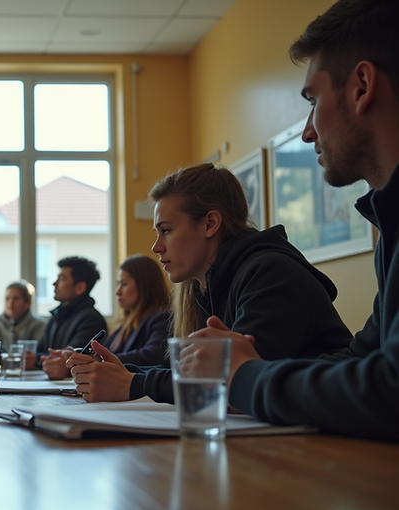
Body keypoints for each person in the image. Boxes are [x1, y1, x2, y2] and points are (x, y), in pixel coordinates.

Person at [188, 0, 399, 441]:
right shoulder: (391, 226)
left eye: (313, 99)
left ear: (362, 86)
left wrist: (245, 376)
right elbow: (363, 359)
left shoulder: (267, 269)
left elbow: (388, 389)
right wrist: (256, 371)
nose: (307, 131)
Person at [67, 164, 353, 404]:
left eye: (166, 230)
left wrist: (131, 384)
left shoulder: (270, 273)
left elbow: (228, 380)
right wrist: (118, 373)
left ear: (210, 224)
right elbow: (186, 370)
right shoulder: (202, 286)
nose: (156, 247)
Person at [43, 255, 170, 379]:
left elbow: (154, 355)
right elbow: (101, 353)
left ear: (144, 286)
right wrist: (73, 354)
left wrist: (95, 361)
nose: (117, 291)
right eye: (117, 284)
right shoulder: (124, 326)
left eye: (124, 284)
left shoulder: (162, 318)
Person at [31, 256, 107, 372]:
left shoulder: (92, 320)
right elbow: (42, 351)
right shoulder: (55, 316)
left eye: (61, 279)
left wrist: (36, 361)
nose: (54, 283)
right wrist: (33, 358)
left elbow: (73, 358)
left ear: (79, 287)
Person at [0, 280, 47, 349]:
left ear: (27, 303)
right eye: (7, 298)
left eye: (16, 299)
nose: (10, 302)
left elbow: (37, 352)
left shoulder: (39, 326)